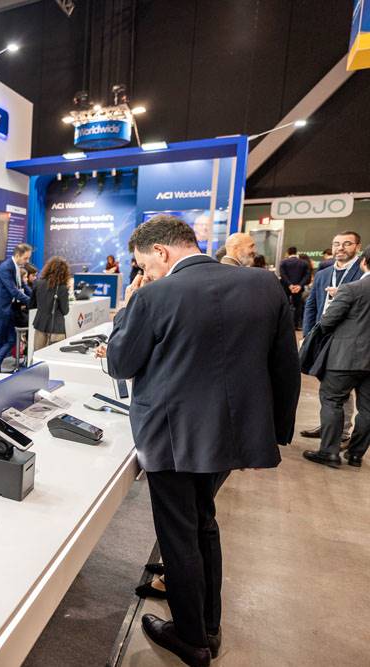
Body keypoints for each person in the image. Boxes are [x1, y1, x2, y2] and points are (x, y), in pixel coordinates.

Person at [106, 215, 299, 667]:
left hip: (170, 437)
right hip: (232, 433)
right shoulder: (263, 285)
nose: (145, 273)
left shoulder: (153, 295)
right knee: (203, 523)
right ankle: (209, 627)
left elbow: (120, 363)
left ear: (160, 251)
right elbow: (285, 365)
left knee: (179, 536)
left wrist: (128, 307)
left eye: (144, 265)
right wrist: (273, 432)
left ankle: (191, 638)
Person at [302, 251, 370, 469]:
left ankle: (329, 452)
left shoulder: (351, 289)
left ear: (363, 262)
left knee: (332, 400)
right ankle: (356, 454)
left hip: (345, 357)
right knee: (368, 409)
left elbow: (327, 321)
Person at [0, 243, 33, 371]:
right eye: (25, 258)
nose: (27, 261)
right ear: (17, 255)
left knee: (12, 339)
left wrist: (35, 298)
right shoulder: (5, 268)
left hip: (8, 310)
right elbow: (14, 291)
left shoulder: (16, 267)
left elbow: (23, 287)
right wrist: (32, 302)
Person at [29, 256, 70, 350]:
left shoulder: (38, 283)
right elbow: (65, 311)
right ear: (64, 272)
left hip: (40, 324)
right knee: (54, 355)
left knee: (38, 354)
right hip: (56, 327)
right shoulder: (62, 288)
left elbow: (32, 305)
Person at [279, 246, 312, 330]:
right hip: (298, 288)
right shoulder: (304, 263)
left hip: (286, 287)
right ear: (296, 252)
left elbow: (283, 275)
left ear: (288, 252)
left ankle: (285, 324)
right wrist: (300, 285)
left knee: (285, 305)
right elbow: (307, 275)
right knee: (298, 306)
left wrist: (289, 285)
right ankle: (296, 325)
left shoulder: (283, 262)